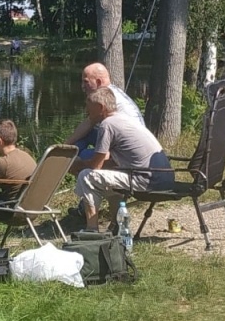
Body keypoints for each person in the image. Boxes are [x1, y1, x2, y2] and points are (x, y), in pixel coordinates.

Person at [73, 86, 174, 231]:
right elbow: (109, 163)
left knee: (86, 176)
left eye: (89, 108)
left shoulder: (107, 125)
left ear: (101, 107)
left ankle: (91, 230)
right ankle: (117, 226)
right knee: (108, 179)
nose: (87, 112)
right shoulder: (124, 119)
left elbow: (95, 166)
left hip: (147, 181)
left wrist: (78, 164)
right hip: (165, 178)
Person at [67, 62, 142, 157]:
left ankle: (73, 159)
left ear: (98, 82)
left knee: (77, 156)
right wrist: (67, 145)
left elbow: (89, 123)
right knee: (84, 137)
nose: (82, 86)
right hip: (123, 139)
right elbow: (89, 123)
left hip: (127, 149)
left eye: (86, 82)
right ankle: (70, 154)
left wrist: (64, 146)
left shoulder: (104, 100)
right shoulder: (111, 92)